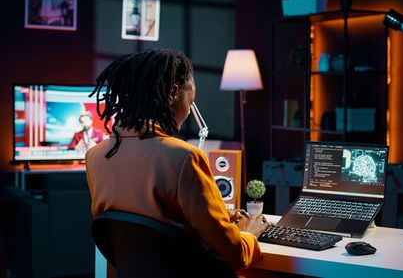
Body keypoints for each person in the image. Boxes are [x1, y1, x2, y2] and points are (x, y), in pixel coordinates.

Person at [85, 48, 270, 273]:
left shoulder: (95, 156)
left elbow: (149, 225)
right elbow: (234, 254)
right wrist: (249, 233)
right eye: (191, 99)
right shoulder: (185, 157)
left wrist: (220, 217)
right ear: (174, 93)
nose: (190, 108)